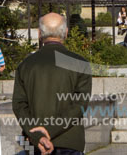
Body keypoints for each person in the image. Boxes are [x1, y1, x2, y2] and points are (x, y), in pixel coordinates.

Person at [13, 12, 92, 155]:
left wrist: (39, 136)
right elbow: (79, 105)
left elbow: (19, 105)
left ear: (39, 34)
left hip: (34, 143)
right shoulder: (80, 64)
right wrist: (49, 131)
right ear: (66, 33)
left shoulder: (25, 65)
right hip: (69, 141)